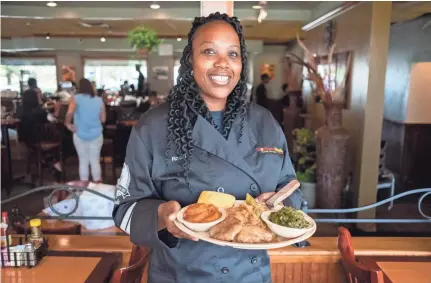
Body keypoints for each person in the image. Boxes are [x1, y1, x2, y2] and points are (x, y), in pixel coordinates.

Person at [112, 13, 303, 283]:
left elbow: (291, 189)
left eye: (233, 54)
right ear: (190, 60)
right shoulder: (153, 126)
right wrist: (162, 217)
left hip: (251, 276)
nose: (223, 63)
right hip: (180, 275)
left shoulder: (265, 122)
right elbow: (125, 210)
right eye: (209, 51)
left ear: (241, 64)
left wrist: (280, 204)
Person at [65, 78, 106, 182]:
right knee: (95, 161)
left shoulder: (75, 98)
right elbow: (103, 119)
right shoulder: (99, 100)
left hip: (80, 134)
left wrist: (67, 123)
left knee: (83, 161)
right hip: (96, 134)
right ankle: (98, 189)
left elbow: (69, 113)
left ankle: (84, 190)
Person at [20, 78, 63, 178]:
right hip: (38, 140)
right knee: (61, 140)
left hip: (25, 139)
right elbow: (53, 120)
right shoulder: (39, 110)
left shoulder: (21, 109)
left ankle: (48, 161)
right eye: (38, 94)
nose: (40, 95)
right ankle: (56, 164)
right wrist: (57, 108)